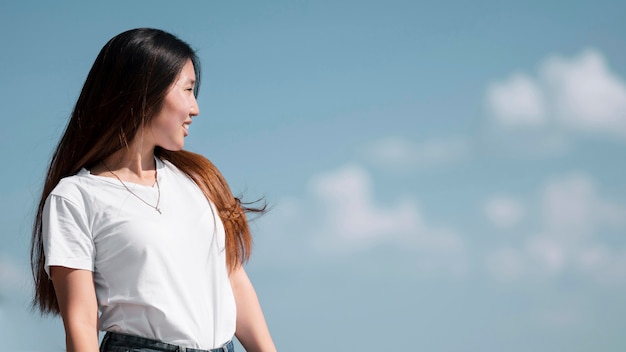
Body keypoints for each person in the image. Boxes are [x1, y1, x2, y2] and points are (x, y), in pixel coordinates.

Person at [30, 28, 277, 352]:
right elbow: (81, 319)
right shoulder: (75, 197)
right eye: (187, 90)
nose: (195, 108)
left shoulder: (198, 179)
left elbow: (232, 279)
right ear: (144, 90)